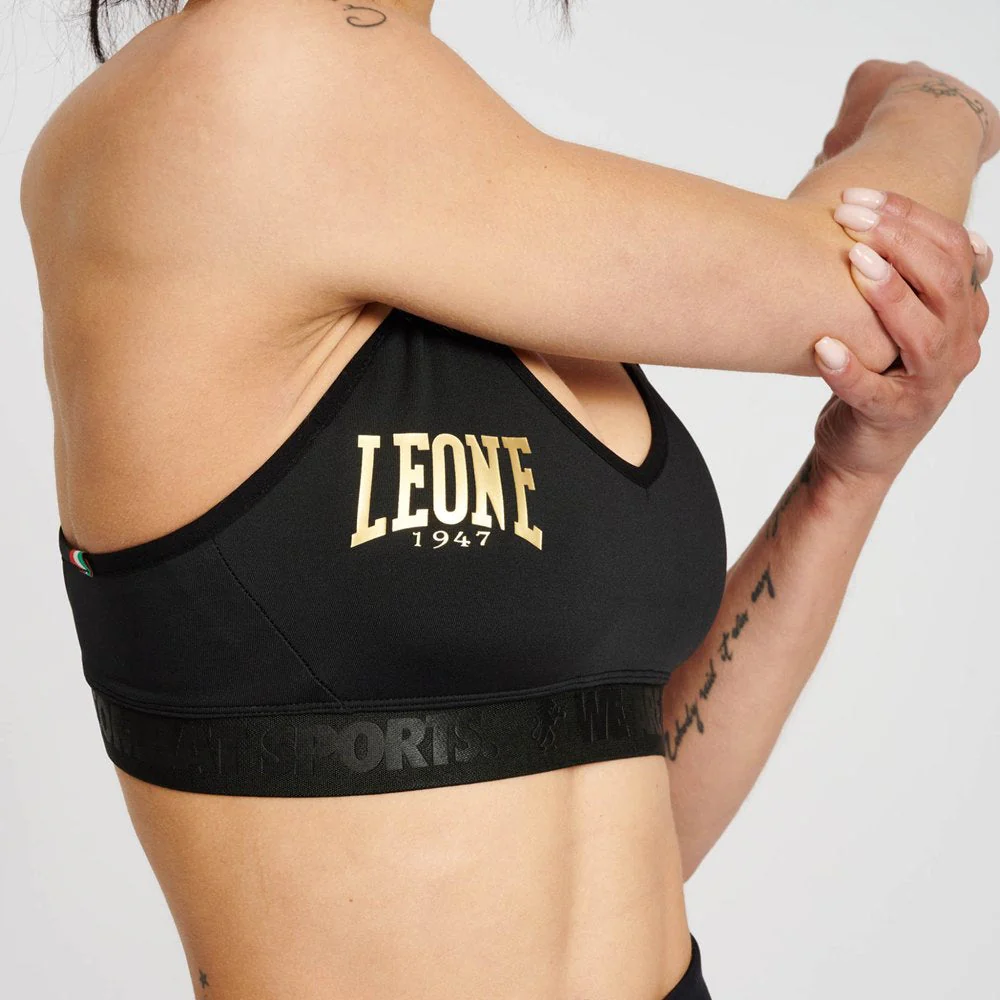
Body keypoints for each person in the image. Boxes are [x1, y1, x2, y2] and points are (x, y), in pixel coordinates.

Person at [19, 0, 995, 995]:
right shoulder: (252, 74)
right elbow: (865, 292)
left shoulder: (462, 178)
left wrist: (851, 473)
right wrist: (934, 104)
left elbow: (628, 827)